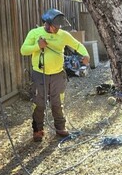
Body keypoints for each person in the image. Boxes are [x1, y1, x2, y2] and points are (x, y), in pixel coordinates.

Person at [20, 8, 90, 142]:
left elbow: (78, 45)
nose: (58, 29)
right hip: (40, 75)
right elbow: (23, 50)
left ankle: (60, 127)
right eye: (55, 26)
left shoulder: (63, 35)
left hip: (58, 75)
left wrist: (86, 54)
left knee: (57, 102)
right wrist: (37, 46)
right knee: (39, 103)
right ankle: (38, 130)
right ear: (47, 24)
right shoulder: (35, 33)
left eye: (59, 27)